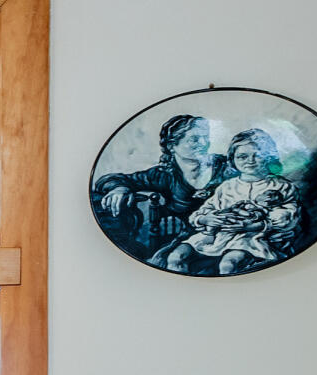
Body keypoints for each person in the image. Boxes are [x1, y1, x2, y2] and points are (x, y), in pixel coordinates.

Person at [163, 128, 304, 275]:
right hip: (217, 234)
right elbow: (203, 212)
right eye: (242, 157)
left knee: (229, 263)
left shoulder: (281, 186)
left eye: (258, 156)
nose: (250, 161)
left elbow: (288, 218)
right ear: (233, 159)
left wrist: (255, 225)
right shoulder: (227, 186)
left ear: (269, 157)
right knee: (176, 256)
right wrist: (206, 218)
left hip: (251, 238)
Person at [92, 113, 224, 262]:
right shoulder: (163, 175)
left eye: (206, 137)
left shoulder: (225, 166)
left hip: (237, 232)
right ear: (172, 146)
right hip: (194, 239)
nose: (203, 143)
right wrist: (120, 189)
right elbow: (110, 180)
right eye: (194, 139)